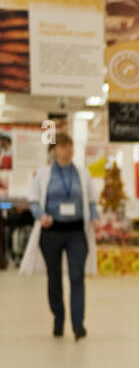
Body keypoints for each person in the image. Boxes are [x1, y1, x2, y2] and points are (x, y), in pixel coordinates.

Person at [21, 132, 100, 339]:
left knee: (76, 276)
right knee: (54, 278)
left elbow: (91, 202)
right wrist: (41, 216)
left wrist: (94, 218)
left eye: (70, 145)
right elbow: (35, 201)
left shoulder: (83, 174)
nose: (68, 150)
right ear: (54, 150)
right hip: (52, 232)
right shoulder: (43, 174)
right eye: (63, 146)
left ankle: (77, 324)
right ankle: (58, 316)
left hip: (76, 232)